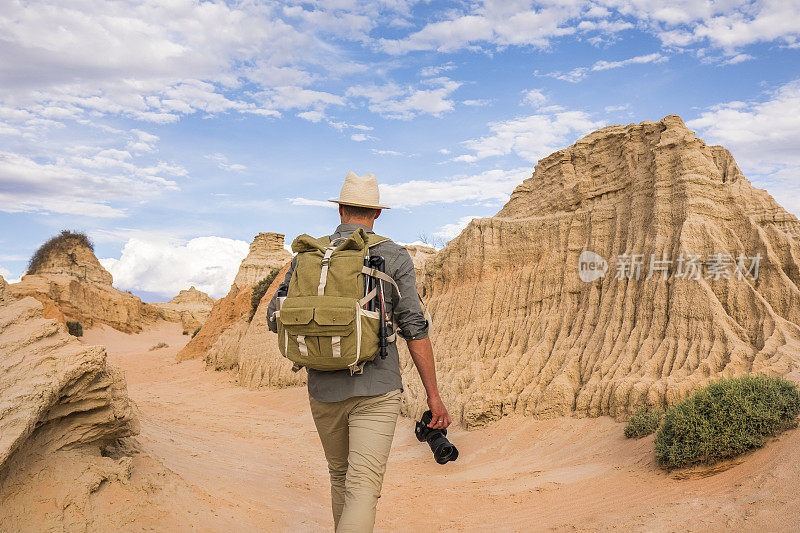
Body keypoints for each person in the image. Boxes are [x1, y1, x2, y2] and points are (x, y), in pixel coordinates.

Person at [267, 171, 451, 532]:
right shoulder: (393, 255)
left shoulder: (309, 255)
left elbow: (276, 319)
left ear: (339, 210)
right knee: (363, 489)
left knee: (339, 478)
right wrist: (434, 397)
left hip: (322, 389)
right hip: (377, 389)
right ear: (377, 213)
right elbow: (414, 327)